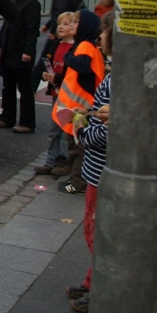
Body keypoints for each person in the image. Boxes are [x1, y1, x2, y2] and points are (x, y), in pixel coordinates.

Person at [66, 10, 114, 313]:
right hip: (98, 170)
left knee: (98, 231)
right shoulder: (115, 75)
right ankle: (92, 280)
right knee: (93, 229)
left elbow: (107, 132)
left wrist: (82, 128)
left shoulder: (118, 79)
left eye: (104, 32)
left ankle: (102, 290)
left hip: (102, 170)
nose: (99, 37)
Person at [55, 10, 105, 196]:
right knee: (77, 145)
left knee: (78, 146)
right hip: (81, 106)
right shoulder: (88, 45)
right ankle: (76, 179)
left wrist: (68, 57)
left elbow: (82, 67)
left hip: (79, 108)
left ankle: (78, 182)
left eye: (76, 22)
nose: (72, 25)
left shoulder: (84, 45)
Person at [0, 0, 42, 133]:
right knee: (7, 86)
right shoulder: (13, 0)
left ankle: (27, 122)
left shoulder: (32, 3)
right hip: (8, 50)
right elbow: (7, 24)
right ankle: (7, 118)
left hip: (21, 51)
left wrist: (28, 51)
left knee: (24, 88)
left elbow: (32, 29)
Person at [34, 12, 78, 176]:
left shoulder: (76, 48)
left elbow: (73, 74)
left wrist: (57, 78)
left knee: (65, 130)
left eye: (65, 24)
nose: (60, 27)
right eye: (59, 24)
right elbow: (51, 64)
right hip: (56, 92)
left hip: (68, 95)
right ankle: (50, 161)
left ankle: (64, 161)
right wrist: (46, 75)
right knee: (53, 130)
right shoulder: (56, 45)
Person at [33, 0, 83, 93]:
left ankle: (32, 86)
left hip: (62, 28)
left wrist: (54, 29)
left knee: (46, 58)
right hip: (66, 26)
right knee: (49, 57)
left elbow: (60, 9)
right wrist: (48, 25)